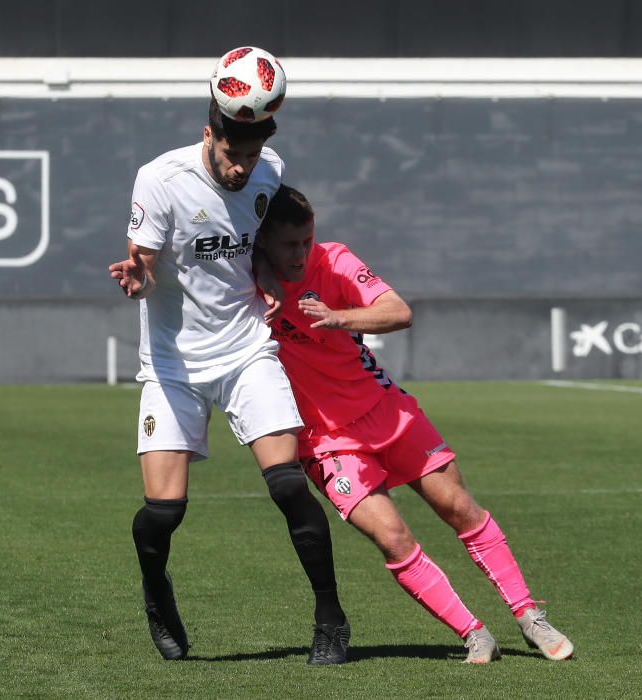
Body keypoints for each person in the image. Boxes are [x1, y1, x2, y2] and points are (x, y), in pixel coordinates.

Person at [254, 184, 574, 664]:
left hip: (390, 413)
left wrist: (339, 317)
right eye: (288, 245)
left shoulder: (335, 260)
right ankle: (473, 633)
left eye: (306, 239)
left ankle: (529, 616)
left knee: (460, 509)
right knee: (392, 538)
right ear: (262, 244)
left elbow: (399, 312)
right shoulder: (247, 281)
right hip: (325, 442)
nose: (301, 253)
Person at [108, 94, 349, 665]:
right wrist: (138, 278)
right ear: (208, 136)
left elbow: (258, 244)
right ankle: (156, 589)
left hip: (246, 350)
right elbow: (139, 262)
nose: (242, 166)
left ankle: (331, 618)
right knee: (165, 512)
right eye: (232, 153)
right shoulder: (161, 179)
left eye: (252, 152)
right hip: (173, 365)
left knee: (289, 484)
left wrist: (268, 277)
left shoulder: (271, 172)